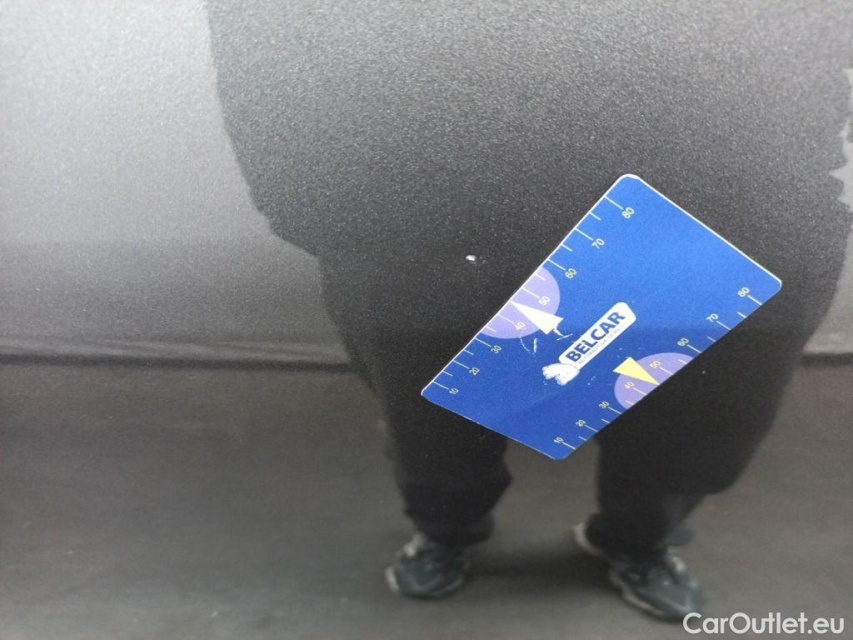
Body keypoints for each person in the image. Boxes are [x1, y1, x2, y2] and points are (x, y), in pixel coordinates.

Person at [207, 0, 852, 620]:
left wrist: (796, 189)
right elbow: (263, 51)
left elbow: (818, 34)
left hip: (704, 206)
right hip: (422, 213)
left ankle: (637, 542)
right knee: (434, 425)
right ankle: (446, 531)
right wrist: (310, 209)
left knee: (689, 430)